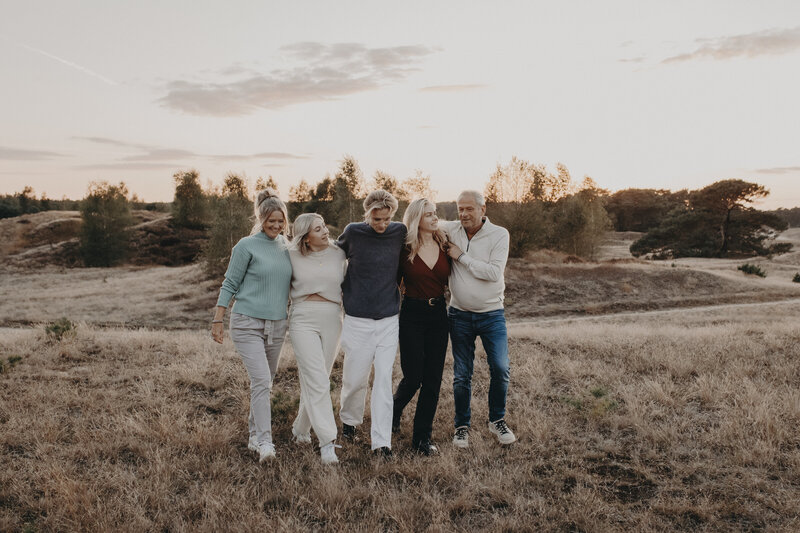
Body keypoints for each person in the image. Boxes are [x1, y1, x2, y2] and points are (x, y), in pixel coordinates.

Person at [211, 189, 292, 463]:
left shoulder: (287, 247)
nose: (276, 226)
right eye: (271, 221)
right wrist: (218, 319)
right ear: (261, 217)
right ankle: (266, 443)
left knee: (264, 384)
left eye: (281, 222)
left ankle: (253, 436)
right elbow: (230, 284)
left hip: (278, 324)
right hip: (247, 323)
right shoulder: (245, 246)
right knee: (260, 380)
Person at [440, 190, 516, 448]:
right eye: (460, 208)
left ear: (483, 209)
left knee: (501, 368)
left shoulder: (499, 234)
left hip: (492, 314)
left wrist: (460, 256)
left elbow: (494, 273)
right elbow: (422, 220)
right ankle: (461, 426)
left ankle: (497, 420)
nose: (463, 214)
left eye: (469, 209)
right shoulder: (451, 229)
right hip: (458, 314)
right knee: (462, 375)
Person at [337, 189, 406, 456]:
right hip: (357, 319)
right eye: (377, 219)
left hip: (389, 318)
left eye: (386, 218)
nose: (382, 224)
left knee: (383, 379)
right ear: (367, 214)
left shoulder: (399, 232)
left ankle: (381, 442)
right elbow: (331, 256)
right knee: (355, 379)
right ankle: (350, 423)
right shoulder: (353, 232)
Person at [393, 198, 451, 455]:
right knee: (414, 377)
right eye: (428, 214)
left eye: (435, 213)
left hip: (439, 314)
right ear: (417, 219)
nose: (434, 217)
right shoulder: (404, 249)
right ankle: (393, 413)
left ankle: (421, 440)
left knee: (433, 381)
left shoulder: (444, 243)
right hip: (412, 314)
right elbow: (391, 283)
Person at [288, 213, 346, 465]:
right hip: (302, 317)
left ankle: (300, 429)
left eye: (324, 227)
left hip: (333, 317)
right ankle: (327, 442)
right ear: (306, 238)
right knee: (317, 378)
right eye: (317, 229)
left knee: (319, 377)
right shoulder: (290, 255)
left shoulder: (340, 253)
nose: (325, 231)